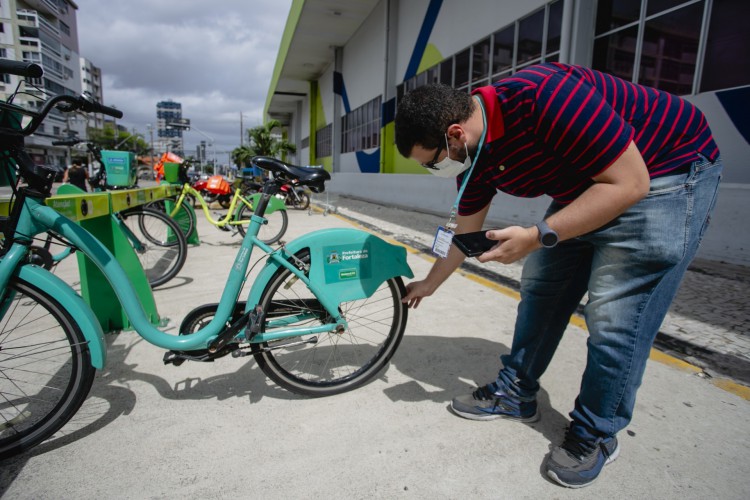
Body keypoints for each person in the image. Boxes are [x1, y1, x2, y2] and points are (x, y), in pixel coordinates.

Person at [394, 62, 722, 488]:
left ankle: (597, 431)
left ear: (455, 134)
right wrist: (429, 283)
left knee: (614, 316)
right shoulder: (477, 156)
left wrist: (537, 235)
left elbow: (629, 184)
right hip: (590, 186)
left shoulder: (541, 97)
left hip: (664, 175)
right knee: (542, 288)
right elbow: (464, 232)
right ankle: (515, 392)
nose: (432, 170)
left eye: (431, 161)